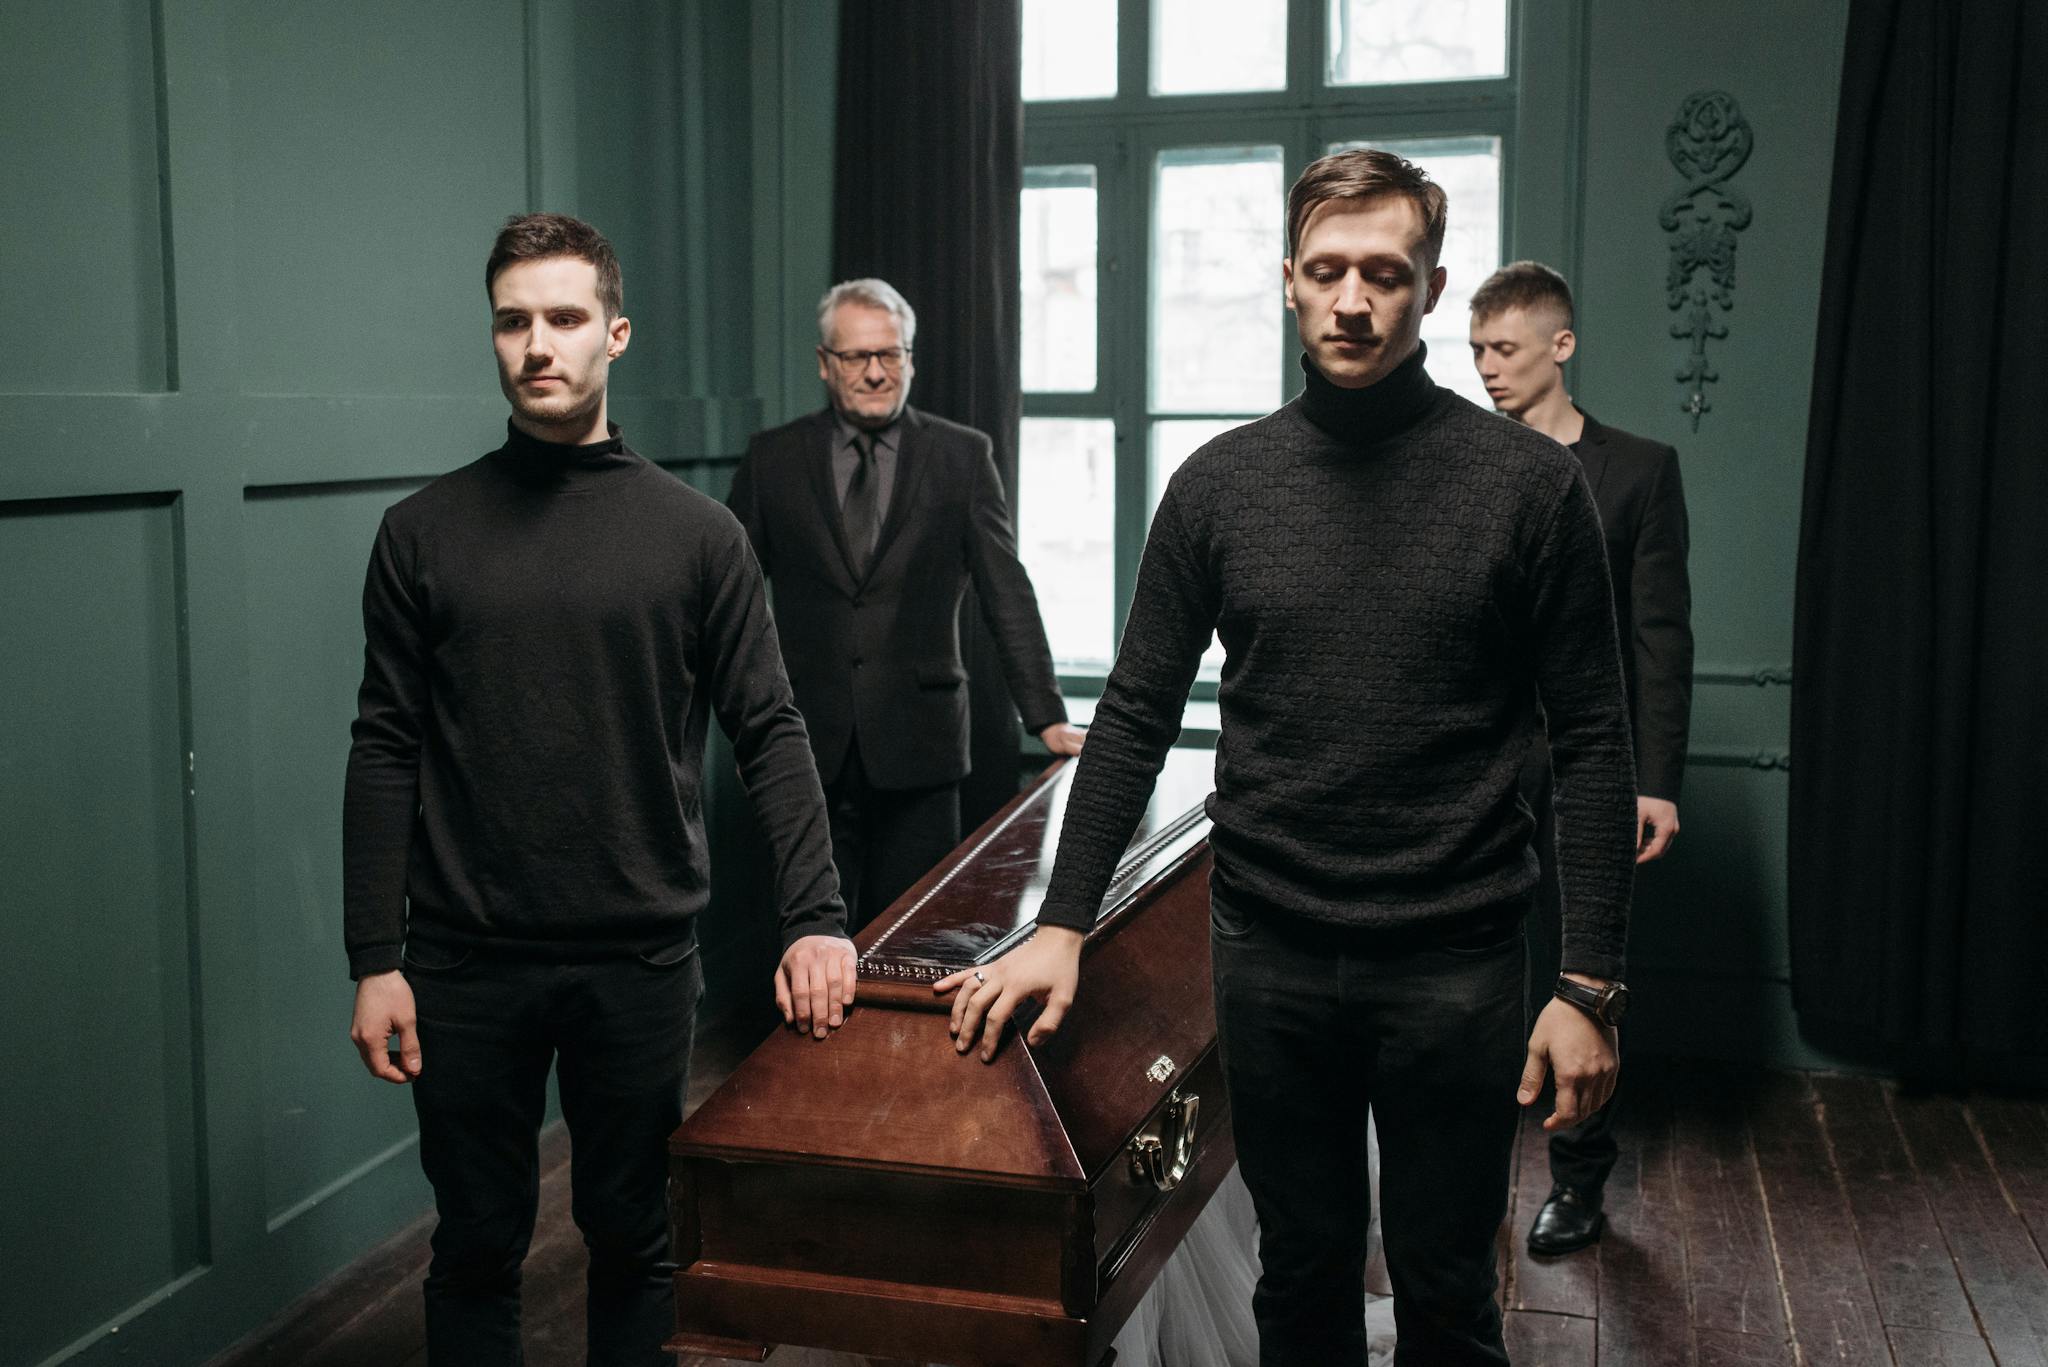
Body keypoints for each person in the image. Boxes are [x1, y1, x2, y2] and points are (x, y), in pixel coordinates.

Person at [944, 150, 1638, 1366]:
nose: (1351, 299)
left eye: (1383, 272)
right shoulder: (1219, 486)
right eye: (1326, 271)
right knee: (1300, 1275)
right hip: (1269, 952)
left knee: (1443, 1289)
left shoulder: (1528, 488)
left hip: (1456, 957)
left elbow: (1590, 737)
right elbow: (1136, 709)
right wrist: (1061, 920)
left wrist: (1586, 986)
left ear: (1429, 287)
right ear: (1285, 282)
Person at [342, 212, 856, 1367]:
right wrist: (375, 954)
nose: (538, 344)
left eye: (564, 319)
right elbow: (383, 745)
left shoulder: (697, 536)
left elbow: (769, 730)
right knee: (475, 1244)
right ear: (493, 337)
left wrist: (817, 915)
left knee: (634, 1240)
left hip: (636, 957)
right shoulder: (420, 534)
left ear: (613, 334)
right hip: (465, 960)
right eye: (513, 321)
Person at [728, 279, 1085, 932]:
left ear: (910, 358)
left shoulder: (961, 456)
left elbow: (1007, 588)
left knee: (915, 941)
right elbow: (727, 602)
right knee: (807, 943)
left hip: (922, 749)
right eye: (857, 357)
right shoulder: (772, 460)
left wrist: (1047, 715)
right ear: (824, 362)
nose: (875, 373)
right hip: (804, 746)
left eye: (890, 355)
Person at [1469, 260, 1693, 1256]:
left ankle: (1576, 1183)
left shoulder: (1638, 470)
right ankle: (1463, 1169)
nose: (1483, 369)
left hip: (1587, 768)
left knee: (1583, 973)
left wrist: (1655, 778)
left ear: (1559, 346)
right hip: (1471, 764)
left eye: (1502, 349)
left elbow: (1659, 635)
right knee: (1467, 970)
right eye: (1473, 349)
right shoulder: (1463, 462)